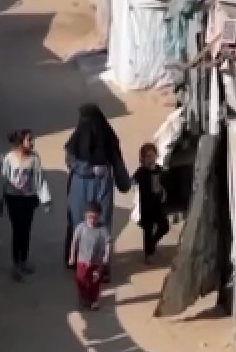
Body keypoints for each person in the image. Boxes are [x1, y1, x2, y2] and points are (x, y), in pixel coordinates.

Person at [63, 104, 130, 282]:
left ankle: (101, 265)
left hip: (96, 184)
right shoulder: (79, 139)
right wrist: (88, 168)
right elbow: (70, 160)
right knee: (80, 224)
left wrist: (122, 180)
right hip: (86, 184)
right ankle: (80, 262)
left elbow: (116, 159)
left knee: (101, 224)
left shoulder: (105, 137)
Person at [0, 129, 51, 281]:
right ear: (21, 143)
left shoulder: (34, 159)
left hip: (29, 199)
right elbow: (3, 180)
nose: (32, 142)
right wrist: (1, 200)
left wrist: (46, 200)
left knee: (26, 230)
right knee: (17, 230)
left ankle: (24, 261)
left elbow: (40, 180)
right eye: (29, 140)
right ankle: (16, 264)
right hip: (13, 199)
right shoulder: (9, 158)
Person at [68, 201, 110, 310]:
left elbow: (108, 243)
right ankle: (83, 297)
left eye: (95, 218)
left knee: (95, 282)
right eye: (90, 217)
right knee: (81, 279)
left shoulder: (103, 230)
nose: (92, 220)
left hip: (97, 262)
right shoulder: (80, 228)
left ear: (99, 217)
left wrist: (106, 257)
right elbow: (74, 242)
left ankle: (94, 300)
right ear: (85, 215)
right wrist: (72, 256)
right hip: (82, 260)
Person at [133, 143, 170, 264]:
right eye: (148, 156)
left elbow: (165, 184)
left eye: (153, 156)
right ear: (142, 158)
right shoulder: (140, 172)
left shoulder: (159, 170)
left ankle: (152, 244)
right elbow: (132, 183)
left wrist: (163, 190)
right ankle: (148, 254)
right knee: (148, 230)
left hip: (157, 205)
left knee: (164, 227)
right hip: (145, 206)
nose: (151, 159)